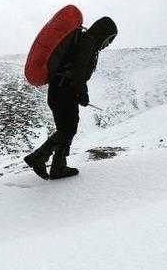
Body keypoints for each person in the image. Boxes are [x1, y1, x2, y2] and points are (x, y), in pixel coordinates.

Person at [24, 16, 118, 179]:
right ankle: (39, 157)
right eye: (109, 40)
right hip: (65, 90)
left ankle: (58, 167)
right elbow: (77, 71)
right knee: (68, 128)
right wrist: (83, 93)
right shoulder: (87, 43)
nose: (108, 45)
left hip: (59, 89)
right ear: (104, 34)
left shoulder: (83, 41)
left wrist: (79, 93)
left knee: (66, 128)